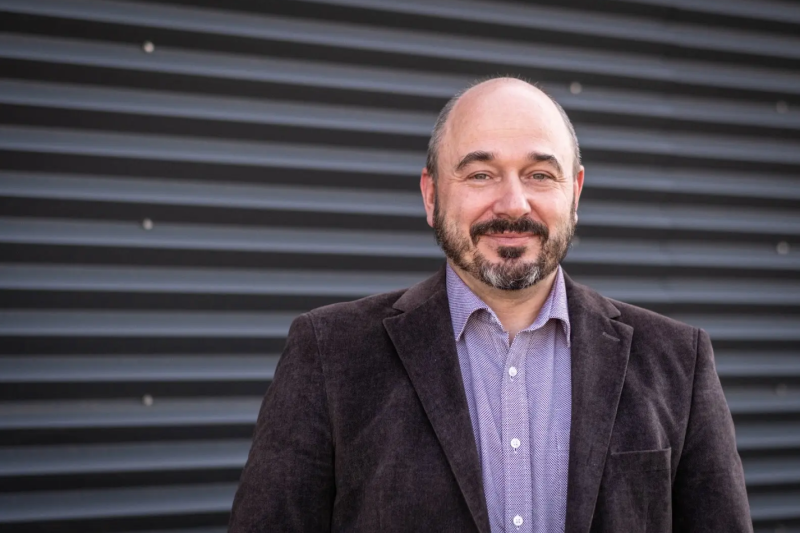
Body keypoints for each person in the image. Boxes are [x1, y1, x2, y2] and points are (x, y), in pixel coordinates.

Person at [228, 77, 752, 532]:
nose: (513, 204)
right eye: (480, 174)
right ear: (431, 195)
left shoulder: (678, 362)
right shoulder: (331, 354)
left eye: (539, 174)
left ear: (575, 193)